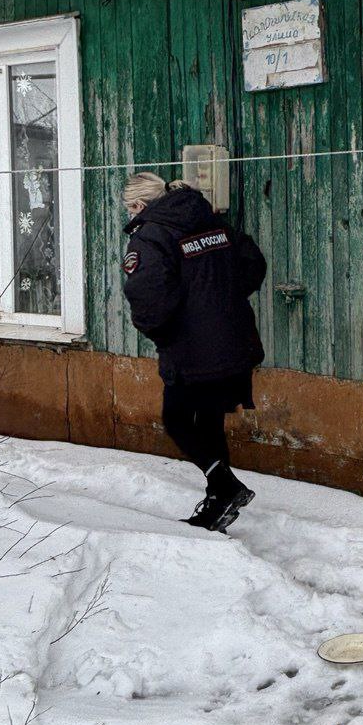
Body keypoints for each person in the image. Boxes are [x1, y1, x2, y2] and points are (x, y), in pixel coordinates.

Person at [121, 172, 267, 533]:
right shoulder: (209, 220)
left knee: (178, 421)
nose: (131, 215)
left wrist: (165, 333)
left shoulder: (151, 236)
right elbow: (252, 263)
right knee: (209, 422)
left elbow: (149, 299)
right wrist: (221, 301)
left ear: (139, 204)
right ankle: (219, 504)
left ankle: (226, 488)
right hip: (234, 340)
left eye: (130, 209)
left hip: (191, 350)